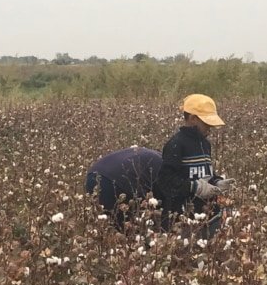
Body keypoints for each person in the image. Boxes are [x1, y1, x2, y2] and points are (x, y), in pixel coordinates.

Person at [155, 94, 235, 238]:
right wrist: (194, 187)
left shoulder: (205, 144)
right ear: (193, 119)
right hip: (183, 218)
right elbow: (165, 180)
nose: (210, 127)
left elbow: (205, 174)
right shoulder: (176, 144)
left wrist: (216, 182)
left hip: (208, 214)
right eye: (206, 123)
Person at [85, 147, 163, 230]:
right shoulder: (166, 167)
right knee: (127, 231)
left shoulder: (151, 155)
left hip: (92, 176)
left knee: (107, 228)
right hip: (115, 184)